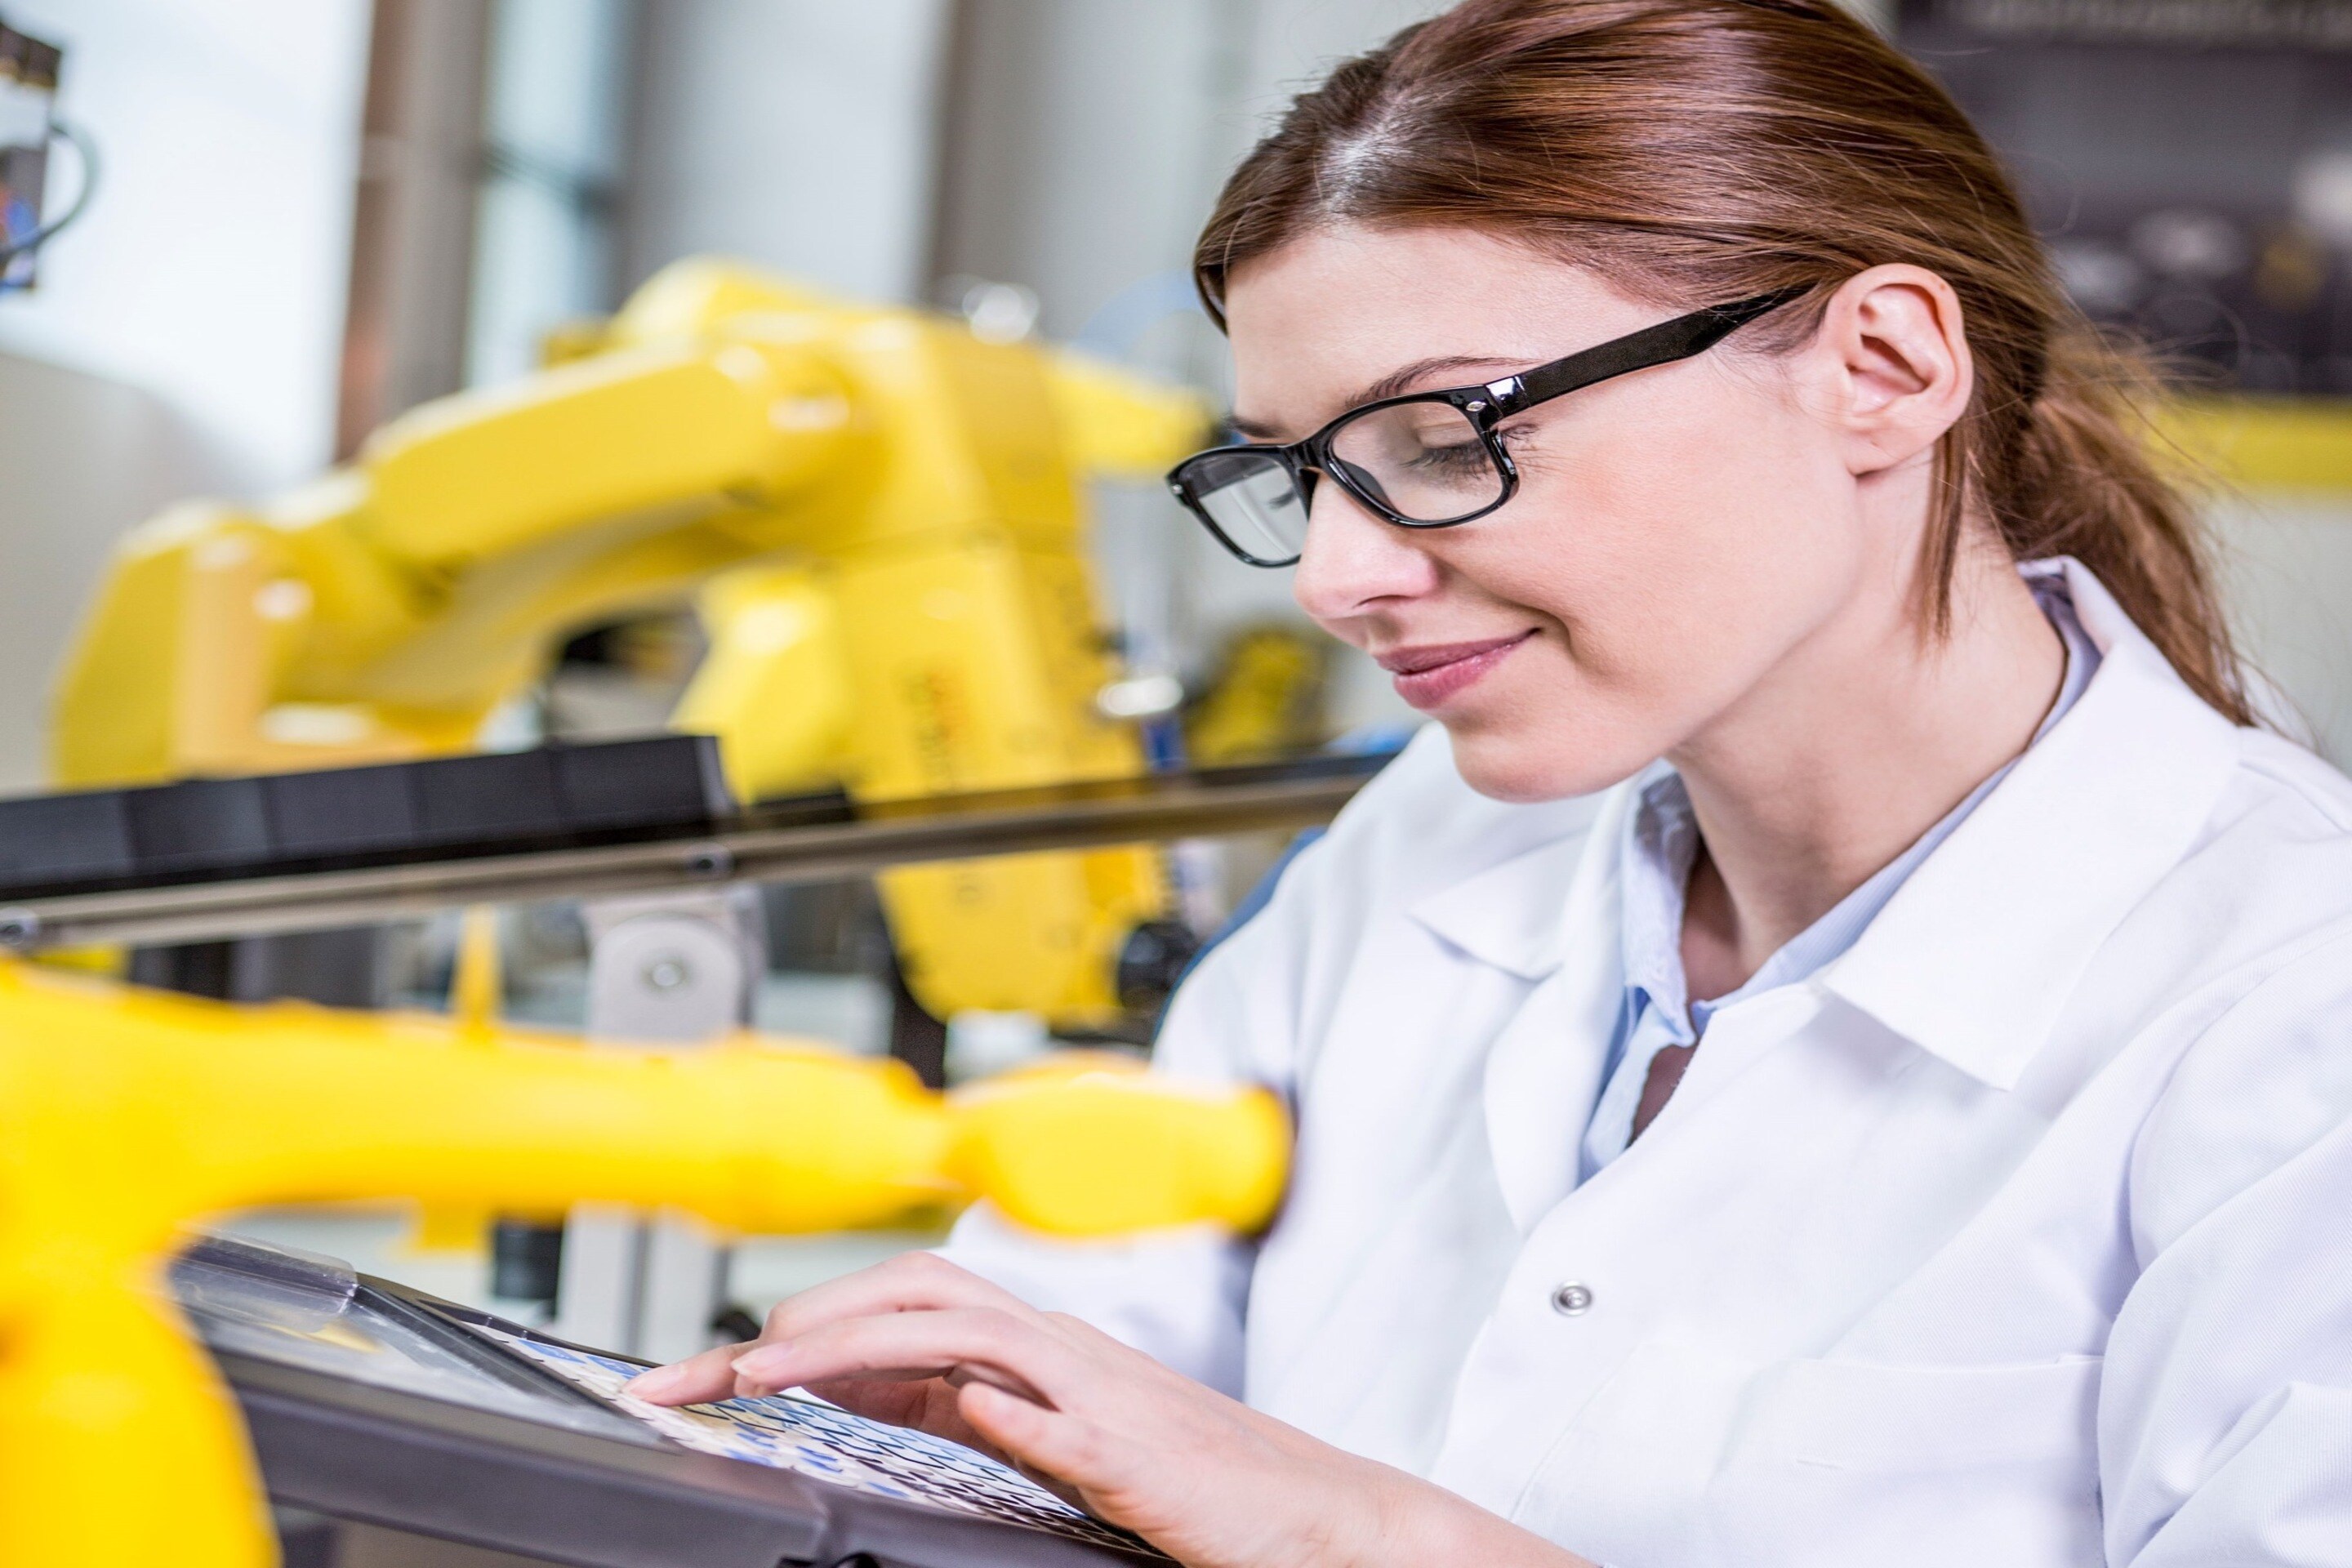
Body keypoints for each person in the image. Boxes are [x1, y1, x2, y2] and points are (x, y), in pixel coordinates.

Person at [630, 2, 2352, 1563]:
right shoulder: (1434, 840)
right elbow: (1080, 1365)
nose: (1333, 579)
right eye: (1298, 474)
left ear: (1882, 370)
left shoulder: (2290, 1000)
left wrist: (1350, 1534)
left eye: (1450, 439)